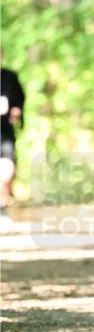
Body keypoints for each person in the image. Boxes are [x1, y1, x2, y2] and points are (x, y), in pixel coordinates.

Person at [0, 63, 25, 230]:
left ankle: (2, 206)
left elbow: (19, 98)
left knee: (8, 168)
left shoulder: (10, 76)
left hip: (5, 130)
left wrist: (17, 111)